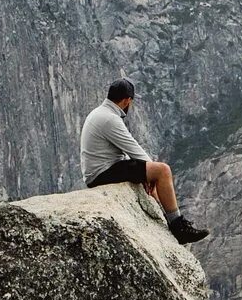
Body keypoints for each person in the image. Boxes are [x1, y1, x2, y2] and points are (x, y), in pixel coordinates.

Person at [79, 79, 210, 244]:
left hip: (102, 169)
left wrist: (145, 174)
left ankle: (164, 218)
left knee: (152, 175)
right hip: (102, 173)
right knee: (162, 171)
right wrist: (150, 174)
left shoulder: (101, 113)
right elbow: (134, 150)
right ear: (128, 100)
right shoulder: (110, 119)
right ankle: (178, 227)